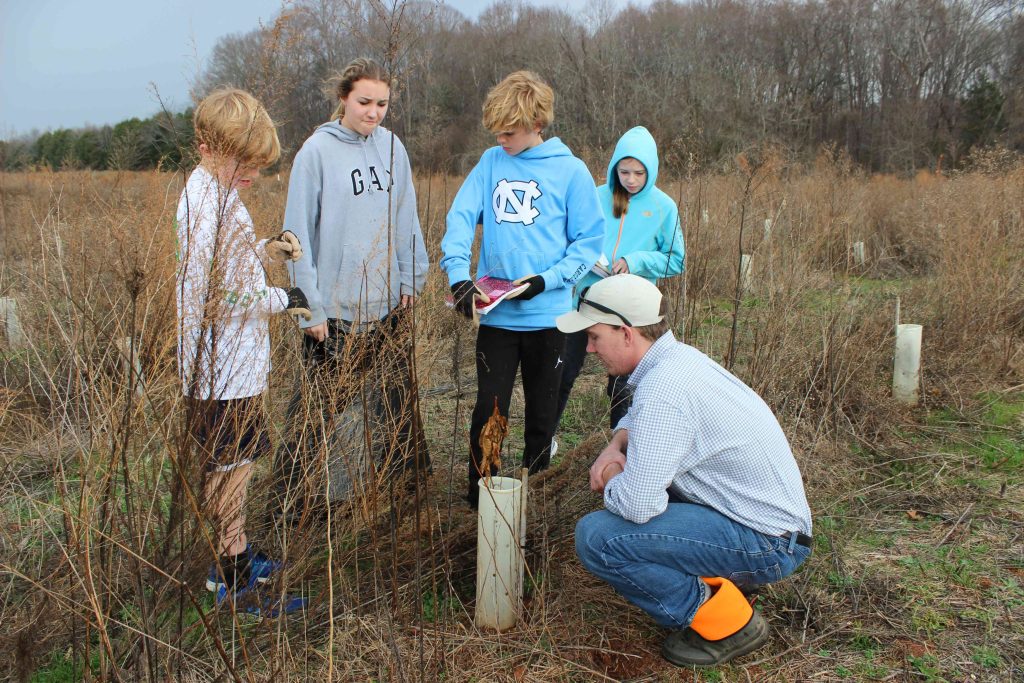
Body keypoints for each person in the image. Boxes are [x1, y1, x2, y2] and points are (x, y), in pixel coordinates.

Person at [556, 274, 812, 666]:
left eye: (594, 336)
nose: (589, 349)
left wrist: (610, 475)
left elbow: (639, 505)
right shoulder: (676, 361)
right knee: (644, 488)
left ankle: (725, 620)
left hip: (770, 543)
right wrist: (616, 444)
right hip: (770, 525)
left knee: (598, 537)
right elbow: (637, 416)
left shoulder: (665, 390)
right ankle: (726, 584)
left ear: (626, 333)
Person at [272, 58, 430, 524]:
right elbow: (295, 236)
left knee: (396, 407)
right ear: (343, 98)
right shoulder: (315, 153)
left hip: (386, 306)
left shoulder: (393, 148)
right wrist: (309, 308)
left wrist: (410, 277)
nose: (374, 112)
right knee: (314, 416)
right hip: (333, 313)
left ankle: (406, 500)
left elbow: (406, 218)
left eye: (382, 103)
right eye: (364, 102)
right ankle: (293, 510)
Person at [440, 70, 604, 507]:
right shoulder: (490, 163)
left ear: (536, 124)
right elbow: (460, 218)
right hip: (497, 318)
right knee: (489, 412)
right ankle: (482, 501)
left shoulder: (571, 172)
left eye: (509, 131)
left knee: (542, 417)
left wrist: (545, 281)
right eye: (495, 130)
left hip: (549, 319)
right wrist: (458, 277)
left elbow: (588, 244)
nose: (501, 139)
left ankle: (536, 499)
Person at [176, 87, 309, 615]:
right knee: (229, 471)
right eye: (244, 163)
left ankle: (234, 557)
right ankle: (232, 580)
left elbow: (232, 266)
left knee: (240, 463)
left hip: (237, 365)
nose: (252, 175)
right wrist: (283, 298)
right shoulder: (202, 205)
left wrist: (266, 250)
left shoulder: (222, 195)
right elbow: (216, 294)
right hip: (219, 369)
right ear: (208, 146)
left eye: (258, 166)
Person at [555, 126, 684, 434]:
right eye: (624, 171)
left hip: (632, 313)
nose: (631, 179)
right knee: (562, 373)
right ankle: (544, 444)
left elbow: (675, 259)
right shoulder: (594, 197)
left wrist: (635, 262)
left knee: (624, 385)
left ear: (650, 171)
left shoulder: (664, 207)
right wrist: (585, 257)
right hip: (585, 301)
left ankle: (623, 444)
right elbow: (569, 238)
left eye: (639, 173)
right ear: (614, 168)